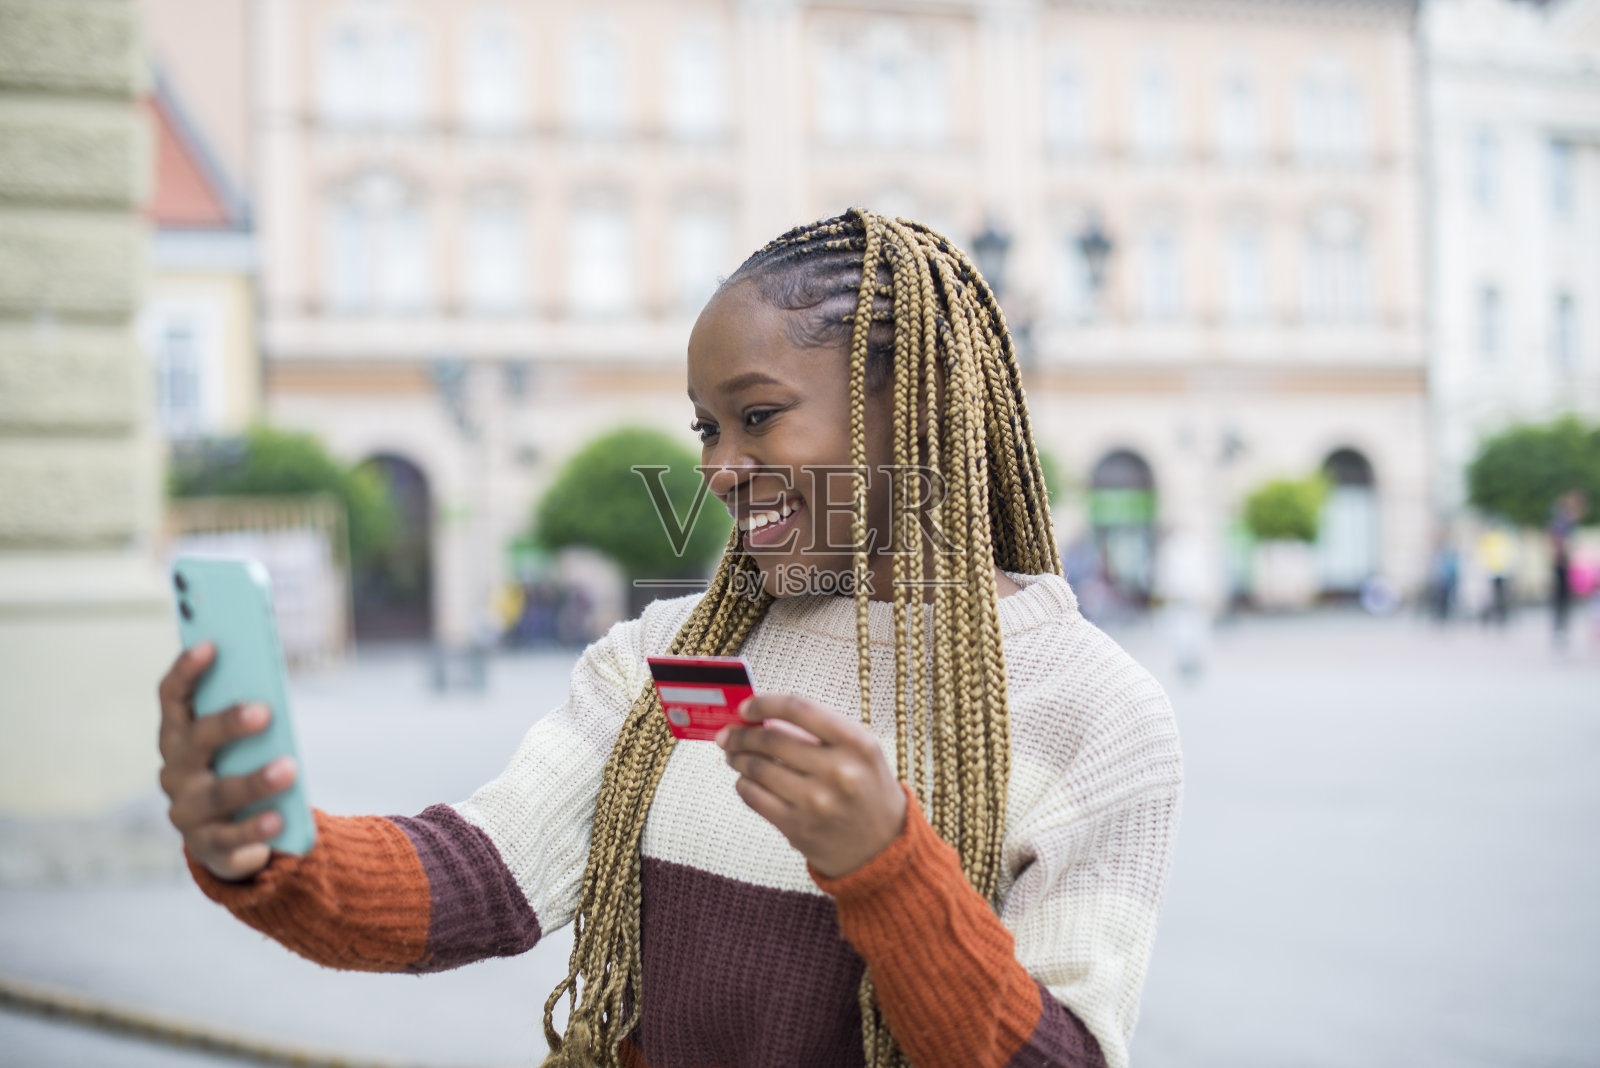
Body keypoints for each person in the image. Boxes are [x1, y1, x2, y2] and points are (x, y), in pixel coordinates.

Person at [156, 211, 1183, 1068]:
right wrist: (270, 848)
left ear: (910, 413)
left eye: (759, 416)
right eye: (706, 427)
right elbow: (475, 878)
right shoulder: (664, 656)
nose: (721, 466)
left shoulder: (1095, 710)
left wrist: (887, 869)